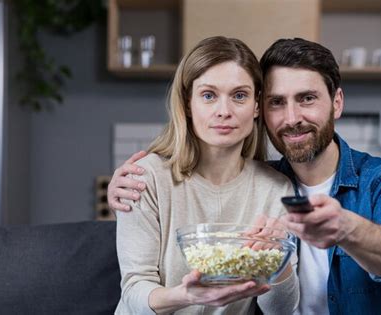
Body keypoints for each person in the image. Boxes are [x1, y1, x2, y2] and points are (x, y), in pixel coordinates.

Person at [109, 37, 381, 314]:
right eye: (277, 102)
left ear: (336, 103)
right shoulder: (271, 181)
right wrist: (124, 189)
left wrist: (347, 228)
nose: (292, 118)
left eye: (307, 98)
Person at [113, 36, 299, 315]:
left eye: (239, 95)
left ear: (257, 106)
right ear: (188, 103)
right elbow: (134, 292)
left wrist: (278, 262)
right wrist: (184, 296)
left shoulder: (275, 189)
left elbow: (281, 310)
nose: (224, 111)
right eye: (208, 95)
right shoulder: (144, 178)